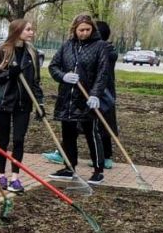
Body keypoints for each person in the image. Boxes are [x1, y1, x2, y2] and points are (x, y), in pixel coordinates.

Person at [48, 13, 110, 184]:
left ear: (92, 29)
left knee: (91, 133)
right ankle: (69, 167)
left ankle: (98, 170)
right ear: (74, 30)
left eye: (87, 29)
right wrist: (63, 76)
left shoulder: (100, 46)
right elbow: (53, 66)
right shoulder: (67, 46)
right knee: (68, 134)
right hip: (67, 97)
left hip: (87, 98)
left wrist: (95, 94)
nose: (84, 33)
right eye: (81, 30)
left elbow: (102, 73)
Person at [0, 19, 43, 193]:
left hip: (23, 103)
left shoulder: (32, 53)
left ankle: (15, 178)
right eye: (28, 29)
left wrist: (39, 103)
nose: (31, 32)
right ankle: (1, 175)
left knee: (19, 140)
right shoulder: (2, 51)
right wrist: (8, 74)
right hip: (3, 102)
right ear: (17, 31)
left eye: (31, 29)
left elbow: (35, 81)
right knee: (3, 139)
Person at [94, 20, 118, 169]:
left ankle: (107, 156)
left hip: (103, 92)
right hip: (98, 91)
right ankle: (63, 151)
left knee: (104, 124)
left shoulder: (106, 51)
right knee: (76, 122)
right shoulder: (104, 49)